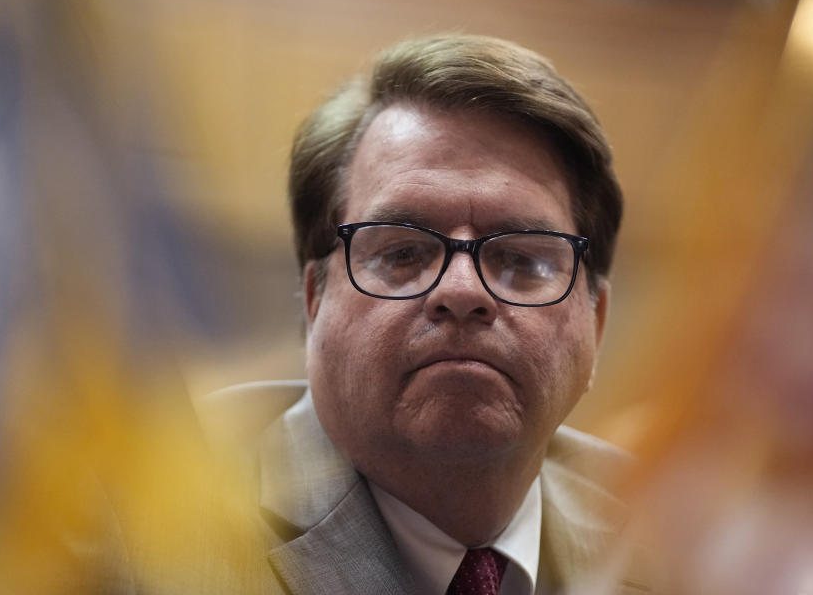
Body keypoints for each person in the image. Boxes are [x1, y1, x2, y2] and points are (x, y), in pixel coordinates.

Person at [201, 33, 650, 595]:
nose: (463, 290)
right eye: (402, 252)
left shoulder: (681, 544)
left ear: (597, 324)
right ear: (315, 303)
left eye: (520, 257)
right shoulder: (138, 527)